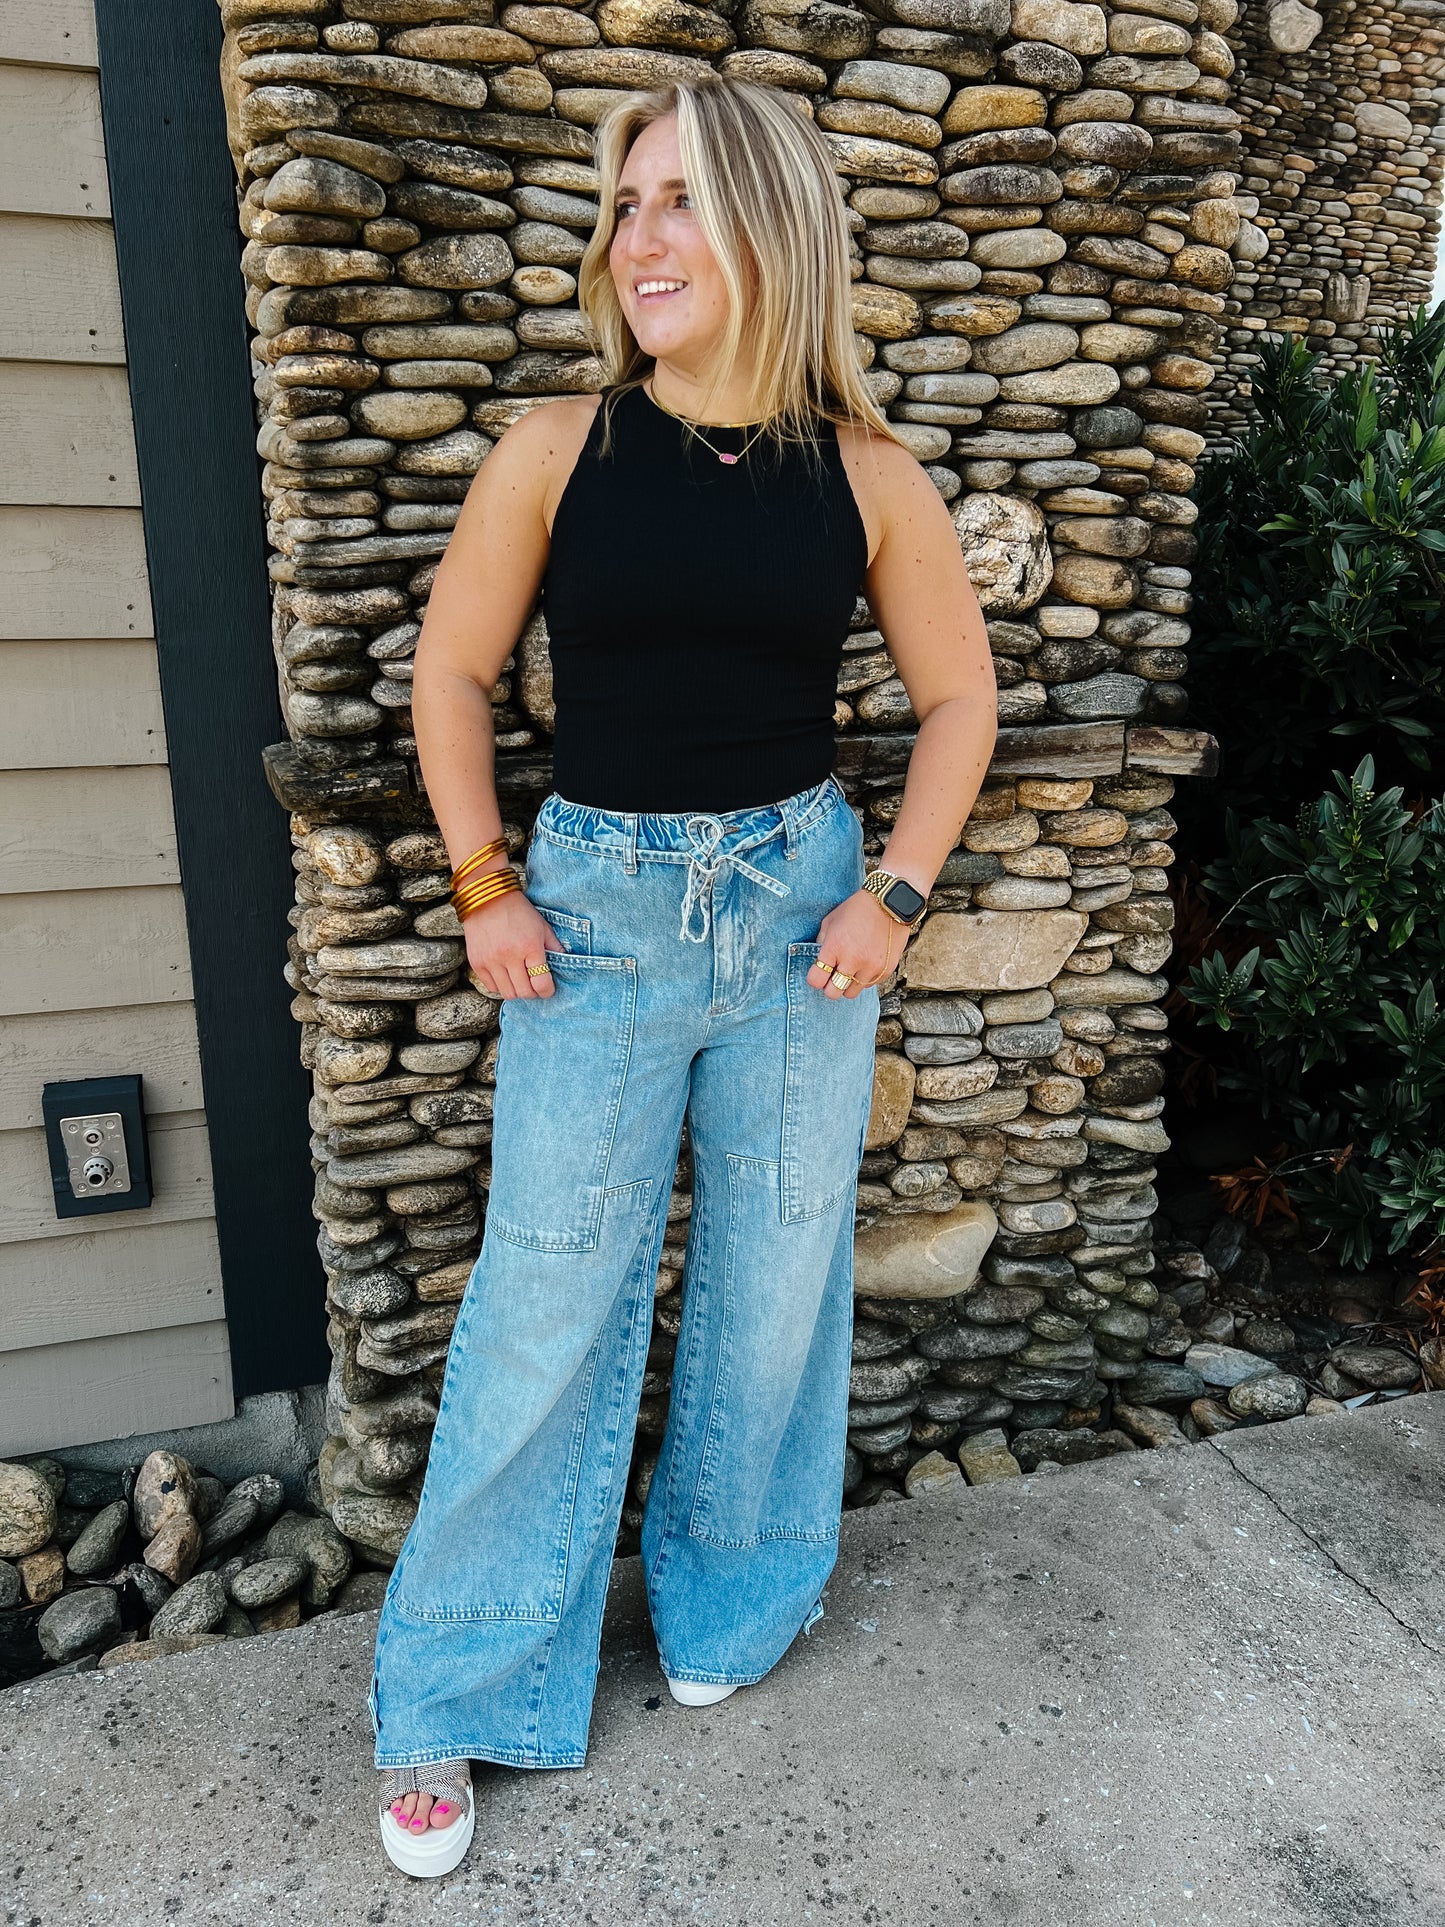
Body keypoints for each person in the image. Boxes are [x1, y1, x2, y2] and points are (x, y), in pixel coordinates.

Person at [369, 72, 996, 1877]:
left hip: (800, 913)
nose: (638, 238)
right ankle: (455, 1696)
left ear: (771, 231)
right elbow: (450, 679)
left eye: (677, 204)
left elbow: (958, 698)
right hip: (600, 921)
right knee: (548, 1292)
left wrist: (893, 890)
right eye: (626, 205)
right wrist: (487, 881)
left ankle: (730, 1604)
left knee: (778, 1269)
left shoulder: (863, 475)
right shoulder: (559, 449)